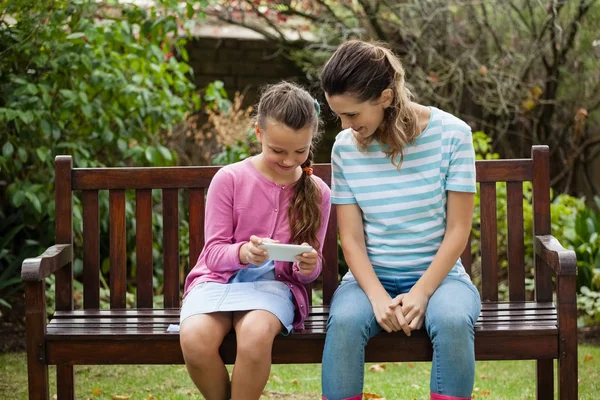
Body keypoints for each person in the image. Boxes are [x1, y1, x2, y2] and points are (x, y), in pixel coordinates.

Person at [320, 40, 481, 400]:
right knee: (344, 323)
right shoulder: (345, 147)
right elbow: (352, 239)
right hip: (368, 279)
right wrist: (377, 297)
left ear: (386, 98)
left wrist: (422, 292)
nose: (345, 126)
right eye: (339, 115)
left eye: (352, 115)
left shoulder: (453, 135)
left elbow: (458, 230)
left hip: (441, 280)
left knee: (454, 321)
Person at [180, 81, 331, 400]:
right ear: (259, 133)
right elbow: (214, 254)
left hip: (276, 288)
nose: (289, 161)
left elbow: (309, 272)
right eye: (278, 150)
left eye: (299, 151)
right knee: (195, 339)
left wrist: (307, 265)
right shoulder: (230, 179)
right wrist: (244, 253)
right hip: (217, 283)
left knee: (255, 334)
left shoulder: (317, 193)